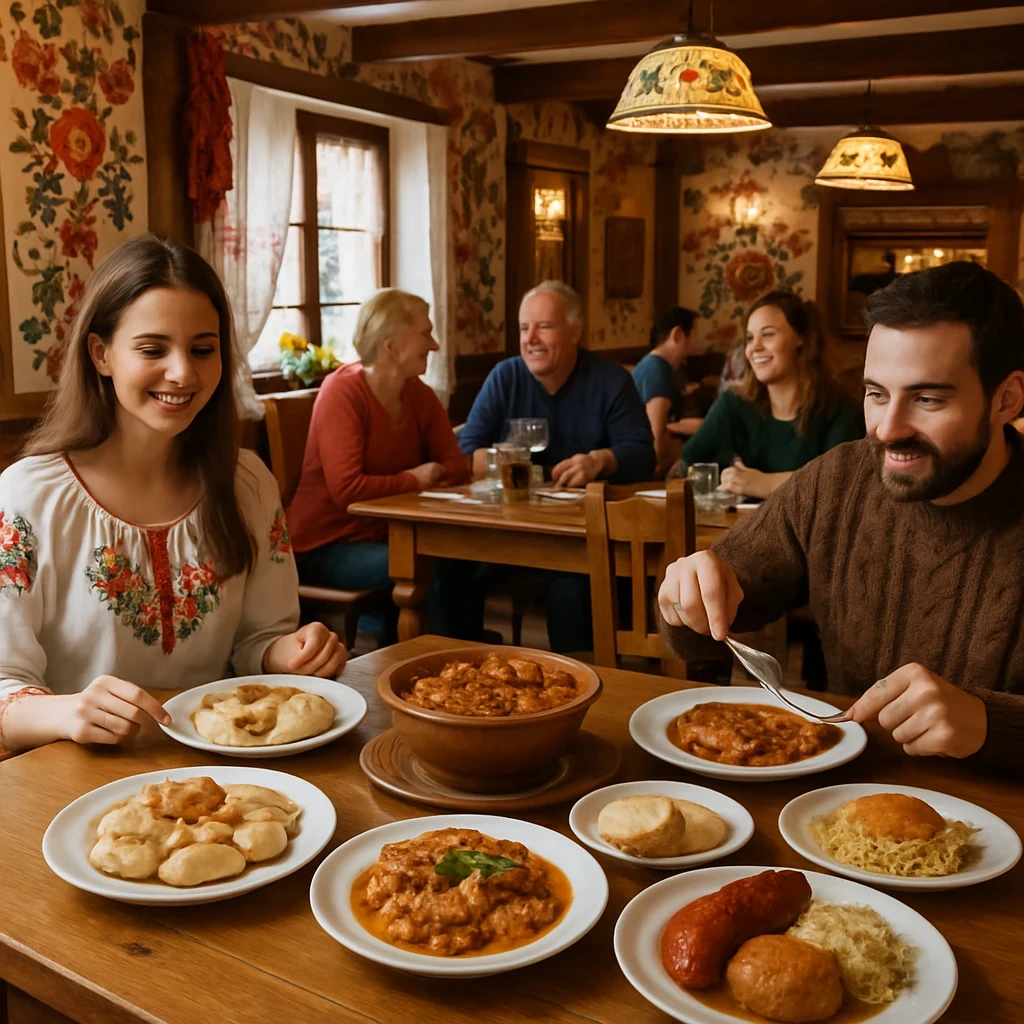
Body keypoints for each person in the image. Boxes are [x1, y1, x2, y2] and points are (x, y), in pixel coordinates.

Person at [658, 261, 1024, 775]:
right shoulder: (837, 482)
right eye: (876, 394)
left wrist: (991, 723)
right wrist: (684, 598)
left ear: (1006, 399)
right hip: (836, 797)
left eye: (926, 398)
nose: (887, 430)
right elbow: (699, 624)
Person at [0, 236, 346, 758]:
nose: (183, 372)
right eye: (152, 349)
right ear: (100, 354)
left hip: (223, 774)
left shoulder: (248, 482)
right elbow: (4, 685)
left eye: (202, 349)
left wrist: (290, 653)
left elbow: (256, 643)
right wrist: (69, 711)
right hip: (69, 781)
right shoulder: (28, 496)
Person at [288, 289, 469, 642]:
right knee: (431, 566)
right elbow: (347, 490)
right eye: (425, 334)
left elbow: (456, 466)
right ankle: (439, 662)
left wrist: (431, 474)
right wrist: (415, 479)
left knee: (462, 557)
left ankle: (466, 655)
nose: (434, 345)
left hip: (392, 537)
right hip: (326, 545)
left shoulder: (418, 393)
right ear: (391, 347)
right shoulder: (342, 392)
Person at [459, 281, 655, 486]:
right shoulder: (505, 377)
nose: (530, 338)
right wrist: (501, 459)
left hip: (589, 502)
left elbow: (642, 456)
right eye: (524, 329)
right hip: (516, 502)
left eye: (544, 327)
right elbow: (466, 450)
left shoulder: (612, 380)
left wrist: (600, 461)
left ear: (575, 332)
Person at [674, 292, 864, 499]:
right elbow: (689, 461)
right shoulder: (734, 402)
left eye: (768, 334)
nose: (754, 347)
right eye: (749, 338)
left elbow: (840, 484)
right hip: (745, 519)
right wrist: (730, 477)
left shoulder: (840, 408)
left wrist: (764, 483)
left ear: (800, 338)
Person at [632, 307, 704, 475]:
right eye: (693, 336)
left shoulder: (656, 367)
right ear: (677, 335)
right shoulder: (657, 369)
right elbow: (655, 433)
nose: (693, 346)